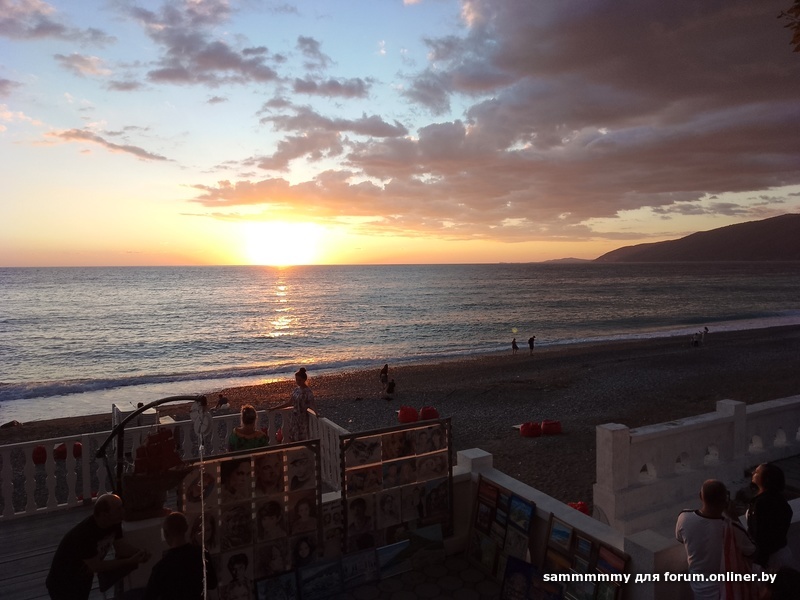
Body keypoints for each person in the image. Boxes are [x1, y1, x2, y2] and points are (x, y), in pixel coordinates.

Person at [46, 493, 150, 600]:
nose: (123, 511)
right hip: (62, 583)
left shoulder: (114, 522)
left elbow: (121, 547)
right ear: (104, 515)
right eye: (118, 509)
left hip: (84, 578)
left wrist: (138, 552)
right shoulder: (85, 535)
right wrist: (129, 561)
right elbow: (97, 566)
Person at [675, 479, 755, 600]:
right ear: (725, 501)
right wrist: (734, 517)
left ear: (700, 496)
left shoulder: (684, 518)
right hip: (726, 591)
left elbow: (680, 538)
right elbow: (752, 551)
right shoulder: (732, 528)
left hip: (698, 589)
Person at [144, 511, 217, 600]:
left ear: (165, 534)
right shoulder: (202, 554)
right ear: (186, 528)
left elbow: (148, 597)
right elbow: (212, 584)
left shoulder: (160, 568)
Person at [747, 463, 795, 570]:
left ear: (766, 479)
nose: (753, 473)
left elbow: (761, 535)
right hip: (777, 555)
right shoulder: (777, 499)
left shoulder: (763, 503)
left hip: (770, 560)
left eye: (757, 472)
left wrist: (759, 561)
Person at [272, 367, 316, 443]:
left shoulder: (308, 392)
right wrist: (275, 408)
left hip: (303, 418)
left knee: (302, 438)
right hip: (295, 417)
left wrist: (317, 414)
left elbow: (312, 404)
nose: (298, 382)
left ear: (304, 380)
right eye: (296, 380)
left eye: (300, 380)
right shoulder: (296, 390)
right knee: (293, 437)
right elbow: (289, 403)